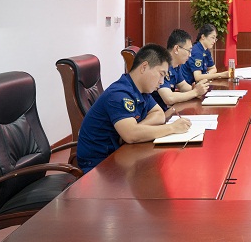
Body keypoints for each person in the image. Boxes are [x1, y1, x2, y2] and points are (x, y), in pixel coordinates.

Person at [77, 44, 192, 173]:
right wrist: (172, 128)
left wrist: (138, 128)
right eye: (161, 74)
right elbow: (131, 135)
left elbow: (159, 114)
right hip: (98, 165)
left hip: (121, 154)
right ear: (144, 67)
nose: (161, 81)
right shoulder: (119, 94)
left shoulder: (141, 90)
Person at [152, 29, 209, 112]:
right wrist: (195, 92)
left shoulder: (176, 66)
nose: (190, 55)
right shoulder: (162, 66)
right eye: (188, 51)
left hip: (167, 111)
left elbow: (183, 86)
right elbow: (169, 98)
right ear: (176, 49)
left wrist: (197, 89)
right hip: (157, 113)